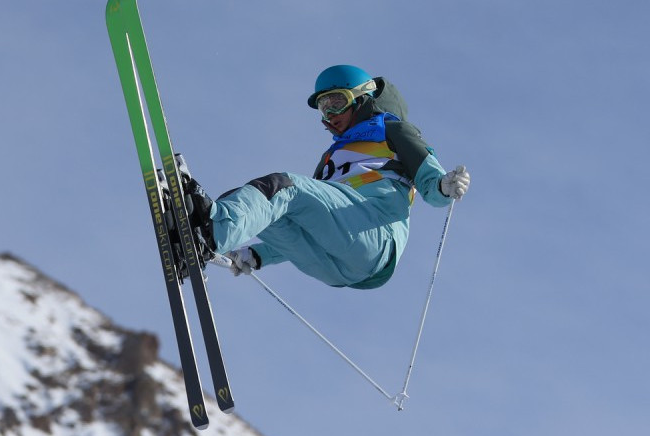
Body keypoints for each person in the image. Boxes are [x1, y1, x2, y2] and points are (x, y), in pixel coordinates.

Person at [183, 64, 470, 289]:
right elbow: (310, 220)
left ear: (362, 99)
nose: (330, 113)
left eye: (336, 101)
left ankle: (211, 230)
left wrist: (443, 186)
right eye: (324, 107)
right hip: (334, 267)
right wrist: (259, 256)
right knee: (267, 207)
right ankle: (199, 235)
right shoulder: (330, 160)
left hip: (373, 232)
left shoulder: (392, 130)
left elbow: (429, 181)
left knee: (281, 187)